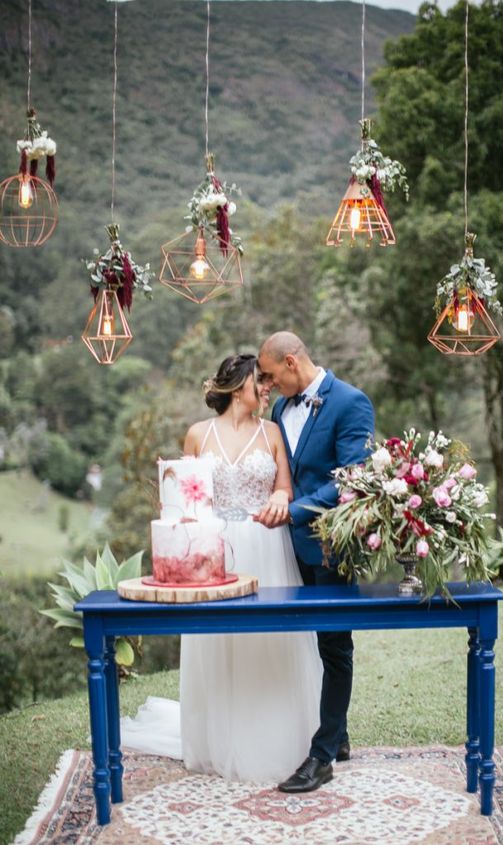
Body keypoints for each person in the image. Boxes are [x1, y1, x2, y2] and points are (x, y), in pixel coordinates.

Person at [120, 353, 322, 783]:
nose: (266, 388)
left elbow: (285, 488)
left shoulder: (272, 432)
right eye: (259, 381)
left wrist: (280, 497)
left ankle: (273, 738)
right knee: (216, 641)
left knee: (268, 644)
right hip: (212, 550)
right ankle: (218, 739)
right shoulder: (198, 434)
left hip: (266, 547)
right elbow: (181, 498)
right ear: (236, 386)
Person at [257, 331, 375, 793]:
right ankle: (337, 734)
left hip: (332, 547)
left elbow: (353, 478)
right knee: (306, 644)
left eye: (271, 375)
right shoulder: (279, 410)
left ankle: (322, 756)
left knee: (335, 646)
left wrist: (294, 510)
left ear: (291, 362)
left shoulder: (350, 402)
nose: (268, 385)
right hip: (287, 549)